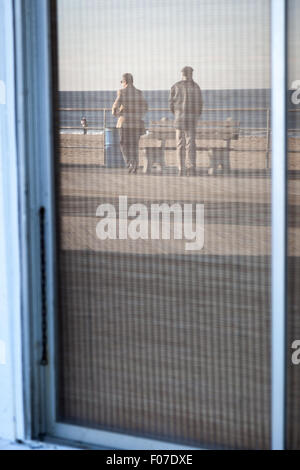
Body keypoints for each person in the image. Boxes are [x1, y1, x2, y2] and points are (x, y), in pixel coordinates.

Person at [169, 66, 203, 176]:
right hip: (191, 119)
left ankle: (181, 168)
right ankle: (191, 167)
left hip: (179, 119)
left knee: (180, 144)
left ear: (182, 74)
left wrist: (176, 114)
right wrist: (196, 115)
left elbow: (171, 104)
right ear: (191, 74)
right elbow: (199, 104)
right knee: (191, 144)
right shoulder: (195, 87)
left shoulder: (175, 86)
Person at [112, 73, 148, 173]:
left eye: (121, 82)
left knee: (123, 144)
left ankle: (130, 163)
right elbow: (145, 107)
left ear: (125, 82)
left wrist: (117, 114)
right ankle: (135, 164)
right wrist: (139, 115)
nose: (121, 84)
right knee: (134, 145)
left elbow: (115, 107)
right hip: (136, 123)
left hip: (125, 122)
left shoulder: (121, 92)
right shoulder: (139, 92)